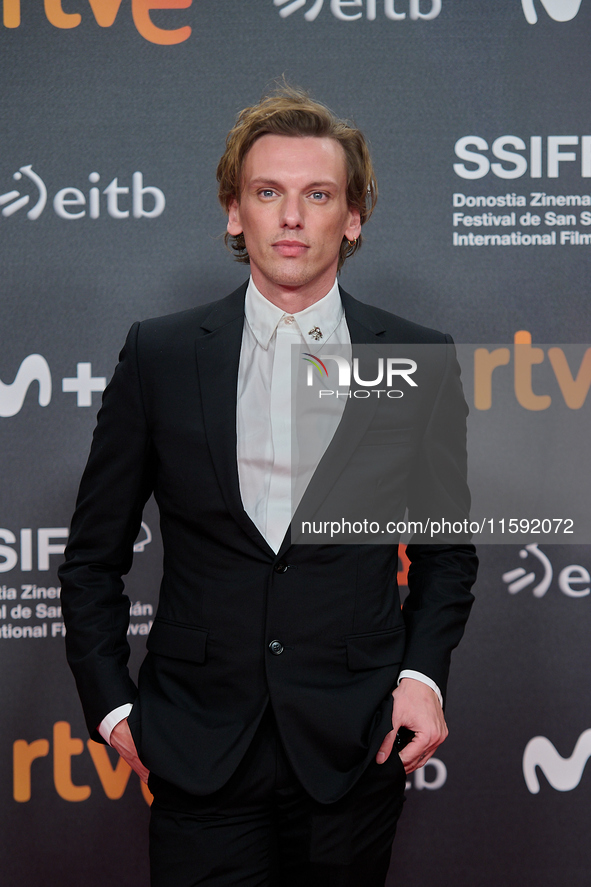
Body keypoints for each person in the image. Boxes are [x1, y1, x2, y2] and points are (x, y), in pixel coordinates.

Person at [59, 85, 478, 887]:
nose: (292, 216)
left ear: (350, 218)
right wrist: (114, 709)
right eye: (267, 192)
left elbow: (445, 554)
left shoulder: (415, 357)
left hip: (353, 749)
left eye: (317, 194)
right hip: (195, 746)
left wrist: (421, 678)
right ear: (233, 212)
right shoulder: (160, 355)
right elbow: (90, 559)